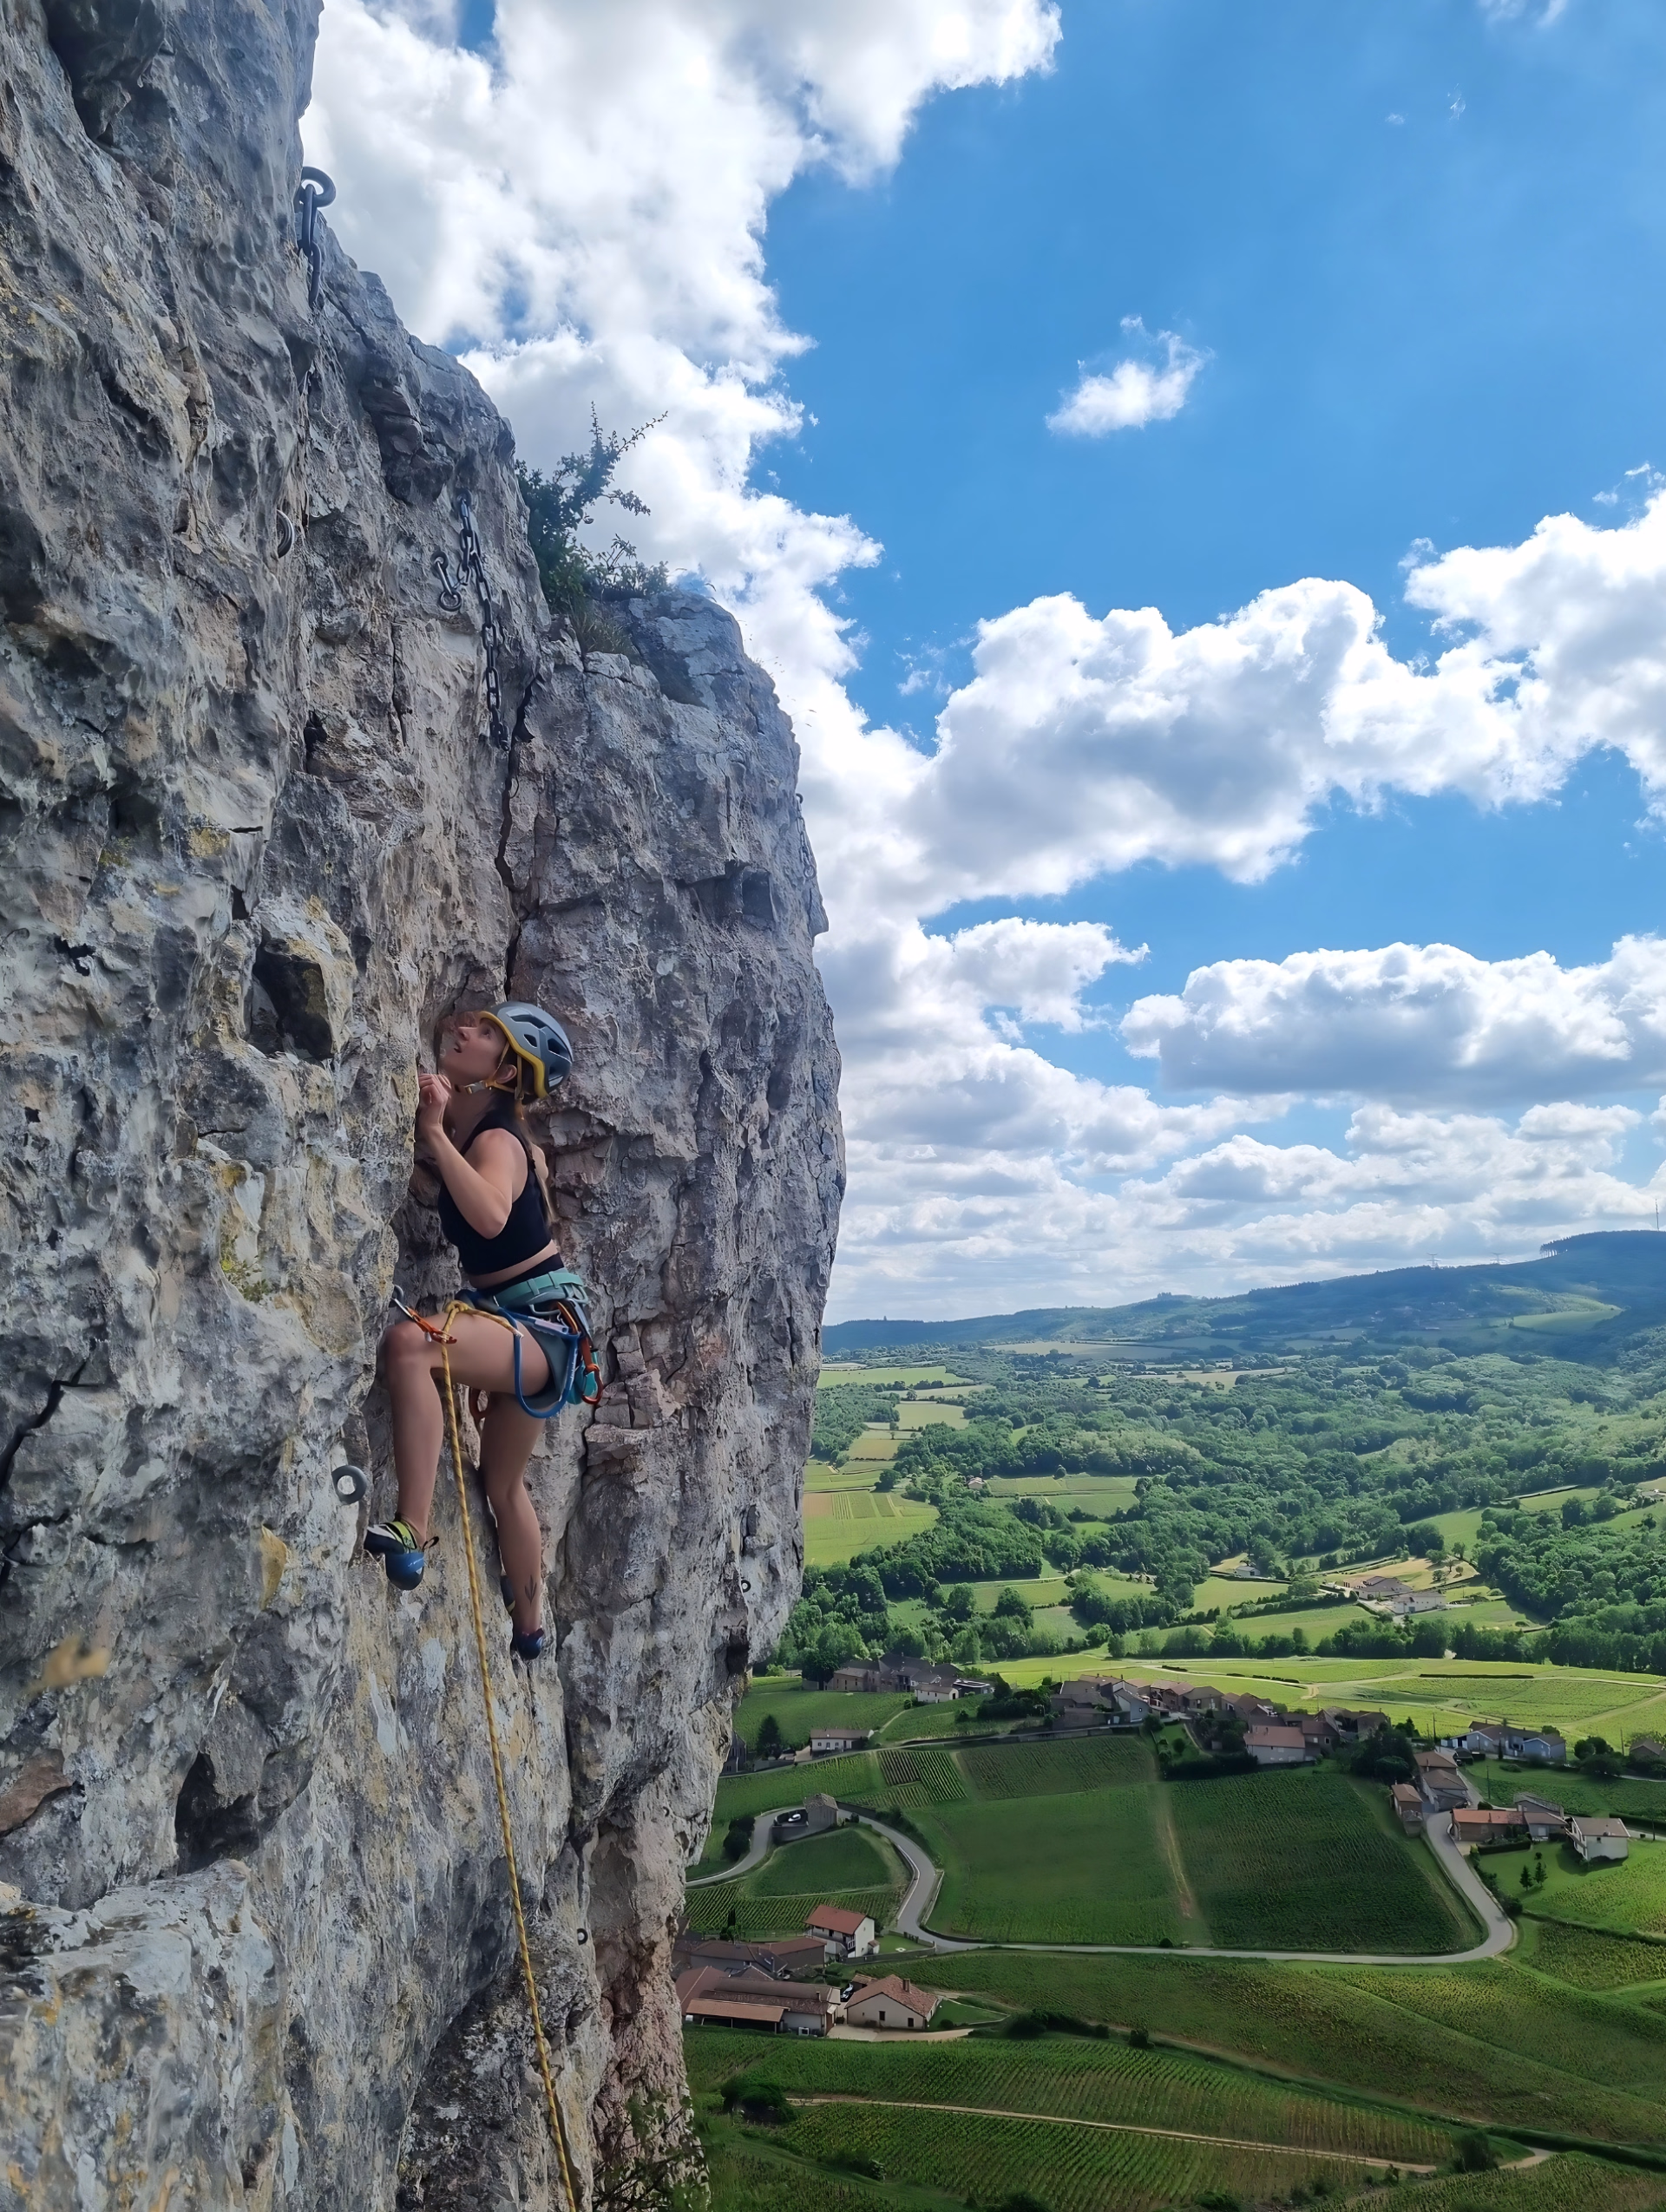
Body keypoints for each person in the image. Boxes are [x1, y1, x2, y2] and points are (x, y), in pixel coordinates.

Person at [365, 1002, 579, 1660]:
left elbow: (488, 1216)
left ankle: (413, 1530)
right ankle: (530, 1629)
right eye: (474, 1024)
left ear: (508, 1072)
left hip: (534, 1331)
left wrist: (432, 1136)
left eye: (487, 1034)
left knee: (410, 1345)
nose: (464, 1031)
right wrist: (436, 1121)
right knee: (501, 1483)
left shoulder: (498, 1142)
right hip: (540, 1330)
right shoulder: (484, 1132)